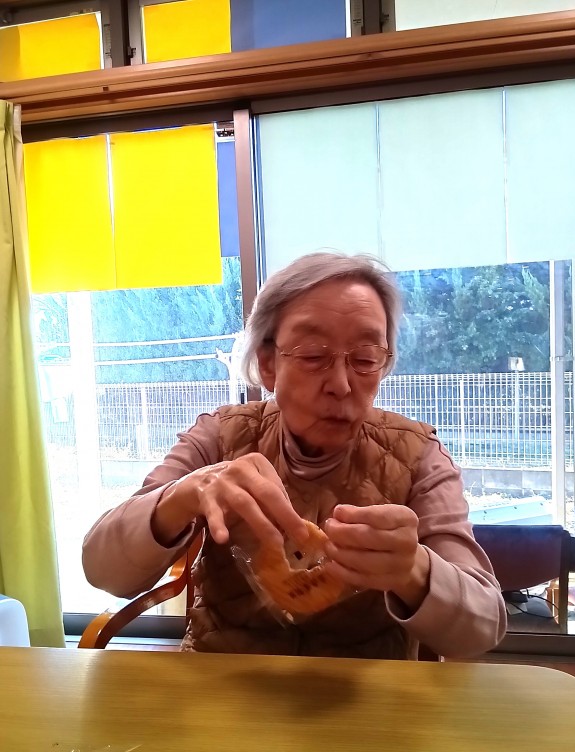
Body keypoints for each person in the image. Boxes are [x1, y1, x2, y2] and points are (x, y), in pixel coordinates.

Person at [83, 252, 506, 659]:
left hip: (365, 694)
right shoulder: (220, 436)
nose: (341, 384)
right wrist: (182, 496)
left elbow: (482, 629)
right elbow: (103, 570)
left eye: (364, 359)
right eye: (313, 356)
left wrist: (414, 570)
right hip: (222, 686)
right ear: (268, 364)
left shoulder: (417, 455)